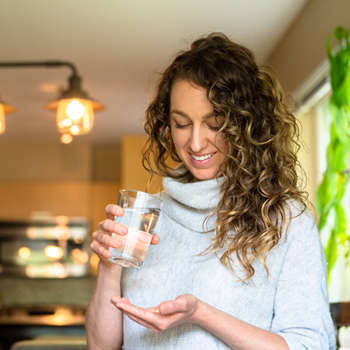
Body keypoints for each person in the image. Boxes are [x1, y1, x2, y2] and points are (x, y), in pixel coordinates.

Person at [85, 33, 336, 350]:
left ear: (246, 124)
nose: (195, 143)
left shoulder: (286, 221)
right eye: (181, 123)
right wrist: (108, 268)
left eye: (214, 123)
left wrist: (202, 315)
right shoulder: (147, 221)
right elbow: (100, 347)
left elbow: (311, 345)